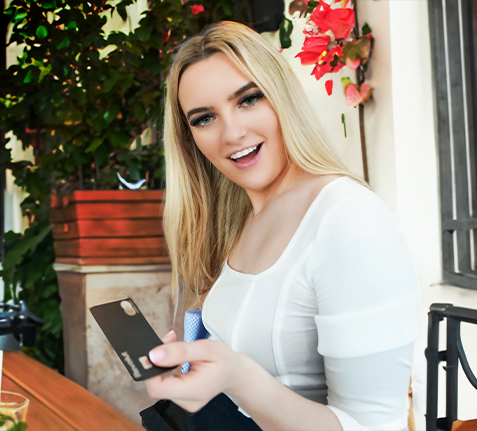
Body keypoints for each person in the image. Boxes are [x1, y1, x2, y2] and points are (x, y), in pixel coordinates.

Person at [144, 21, 420, 431]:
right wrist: (195, 366)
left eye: (249, 99)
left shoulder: (348, 218)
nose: (232, 133)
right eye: (204, 118)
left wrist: (237, 377)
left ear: (282, 96)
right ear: (190, 140)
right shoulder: (237, 220)